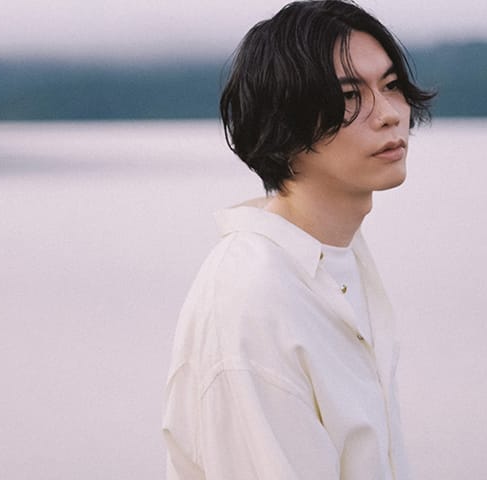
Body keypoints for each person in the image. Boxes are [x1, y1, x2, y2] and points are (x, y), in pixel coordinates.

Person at [162, 1, 434, 478]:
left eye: (391, 85)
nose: (390, 114)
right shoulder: (254, 296)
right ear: (284, 122)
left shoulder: (337, 258)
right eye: (349, 96)